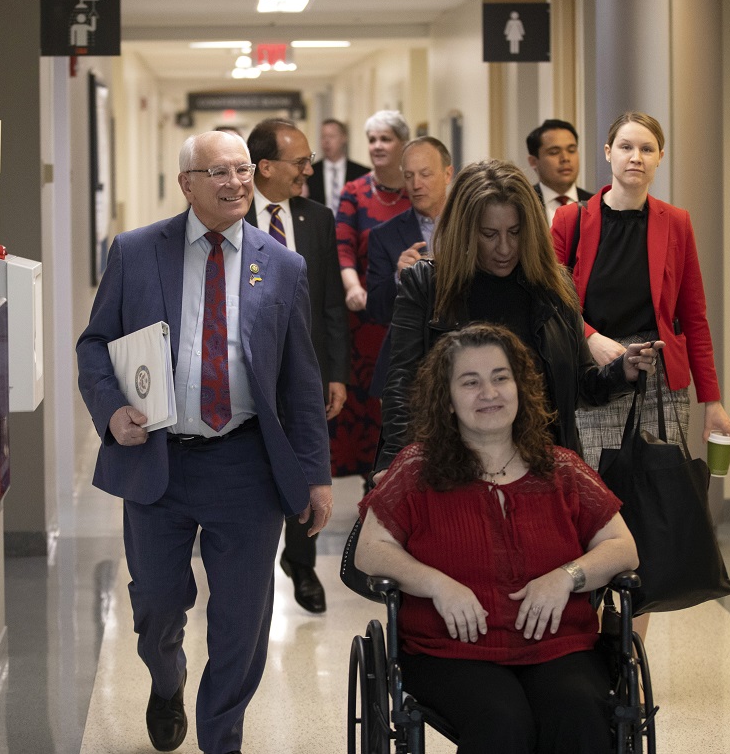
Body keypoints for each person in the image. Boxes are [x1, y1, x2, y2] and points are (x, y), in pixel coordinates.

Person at [76, 130, 333, 754]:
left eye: (243, 169)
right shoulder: (137, 253)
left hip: (246, 462)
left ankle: (222, 737)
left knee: (242, 619)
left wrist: (315, 471)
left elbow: (301, 377)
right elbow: (93, 346)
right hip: (159, 459)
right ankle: (166, 681)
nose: (235, 182)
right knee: (159, 604)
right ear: (187, 183)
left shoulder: (282, 265)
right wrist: (112, 414)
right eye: (217, 172)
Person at [357, 323, 639, 754]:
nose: (489, 392)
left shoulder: (561, 468)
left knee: (580, 714)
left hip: (559, 646)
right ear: (447, 401)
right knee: (502, 722)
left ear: (519, 388)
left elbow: (624, 548)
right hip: (451, 650)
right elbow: (370, 550)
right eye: (470, 382)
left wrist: (566, 576)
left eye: (500, 377)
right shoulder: (417, 469)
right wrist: (437, 584)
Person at [374, 158, 660, 478]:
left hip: (540, 469)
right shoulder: (426, 286)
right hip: (454, 469)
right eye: (489, 234)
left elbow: (578, 387)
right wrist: (394, 463)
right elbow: (402, 386)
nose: (505, 248)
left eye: (515, 231)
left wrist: (622, 372)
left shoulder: (552, 288)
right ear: (466, 232)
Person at [551, 111, 730, 470]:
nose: (636, 157)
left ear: (660, 158)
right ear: (608, 152)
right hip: (594, 373)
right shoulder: (570, 220)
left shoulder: (677, 223)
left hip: (659, 381)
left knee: (659, 495)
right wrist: (589, 337)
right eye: (625, 147)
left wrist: (712, 401)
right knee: (599, 496)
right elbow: (548, 299)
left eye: (647, 149)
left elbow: (694, 317)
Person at [245, 117, 348, 614]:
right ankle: (250, 560)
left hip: (305, 365)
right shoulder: (230, 215)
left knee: (307, 460)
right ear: (264, 167)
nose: (309, 168)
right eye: (299, 161)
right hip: (248, 367)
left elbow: (329, 304)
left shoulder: (316, 218)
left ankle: (301, 562)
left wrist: (336, 373)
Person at [331, 110, 413, 489]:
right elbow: (342, 246)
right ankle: (374, 483)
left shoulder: (420, 191)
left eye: (386, 139)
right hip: (365, 315)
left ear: (402, 144)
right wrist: (352, 286)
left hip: (412, 312)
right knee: (369, 406)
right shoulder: (355, 191)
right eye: (372, 140)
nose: (377, 146)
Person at [366, 136, 455, 327]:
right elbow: (376, 310)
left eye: (425, 174)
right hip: (412, 350)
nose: (416, 185)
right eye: (409, 176)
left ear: (448, 174)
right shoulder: (384, 236)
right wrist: (399, 277)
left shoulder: (472, 224)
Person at [527, 119, 594, 229]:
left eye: (571, 150)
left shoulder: (596, 204)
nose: (565, 158)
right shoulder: (523, 203)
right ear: (533, 161)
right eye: (554, 152)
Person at [305, 118, 370, 213]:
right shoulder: (309, 172)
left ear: (344, 138)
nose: (326, 141)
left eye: (331, 136)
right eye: (323, 137)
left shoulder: (362, 173)